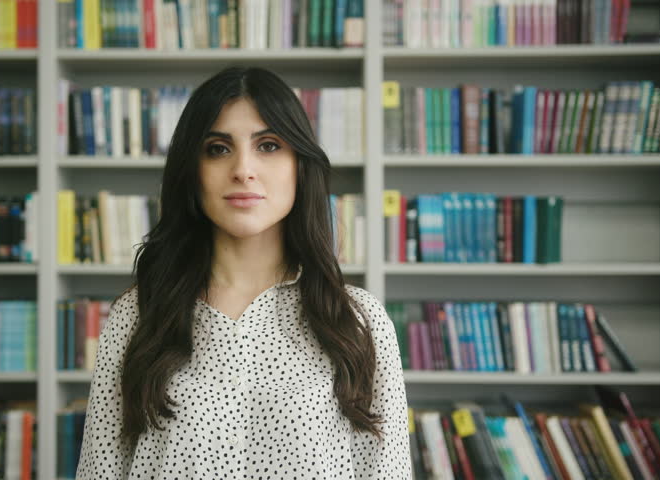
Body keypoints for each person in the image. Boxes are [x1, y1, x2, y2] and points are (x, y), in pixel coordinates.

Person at [75, 66, 411, 479]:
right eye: (217, 148)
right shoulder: (137, 316)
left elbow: (386, 471)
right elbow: (100, 471)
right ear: (192, 171)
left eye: (268, 145)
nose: (243, 169)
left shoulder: (360, 320)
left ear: (298, 165)